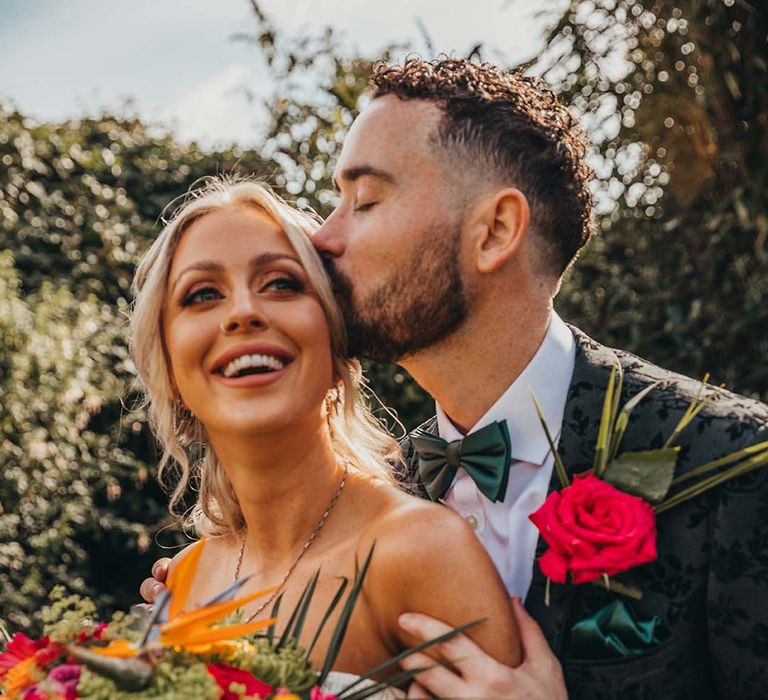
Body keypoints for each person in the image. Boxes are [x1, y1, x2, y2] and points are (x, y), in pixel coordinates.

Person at [143, 58, 768, 699]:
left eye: (364, 200)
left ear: (494, 231)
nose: (324, 239)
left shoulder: (735, 461)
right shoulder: (372, 497)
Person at [128, 176, 521, 695]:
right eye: (202, 295)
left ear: (337, 347)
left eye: (282, 284)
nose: (244, 312)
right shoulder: (182, 581)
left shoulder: (421, 552)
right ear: (170, 370)